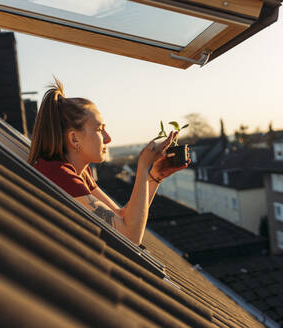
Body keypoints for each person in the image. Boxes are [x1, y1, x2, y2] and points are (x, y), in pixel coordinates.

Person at [28, 78, 190, 245]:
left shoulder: (80, 172)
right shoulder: (59, 175)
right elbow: (129, 236)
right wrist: (142, 167)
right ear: (74, 138)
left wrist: (154, 177)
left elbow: (120, 216)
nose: (108, 138)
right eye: (99, 130)